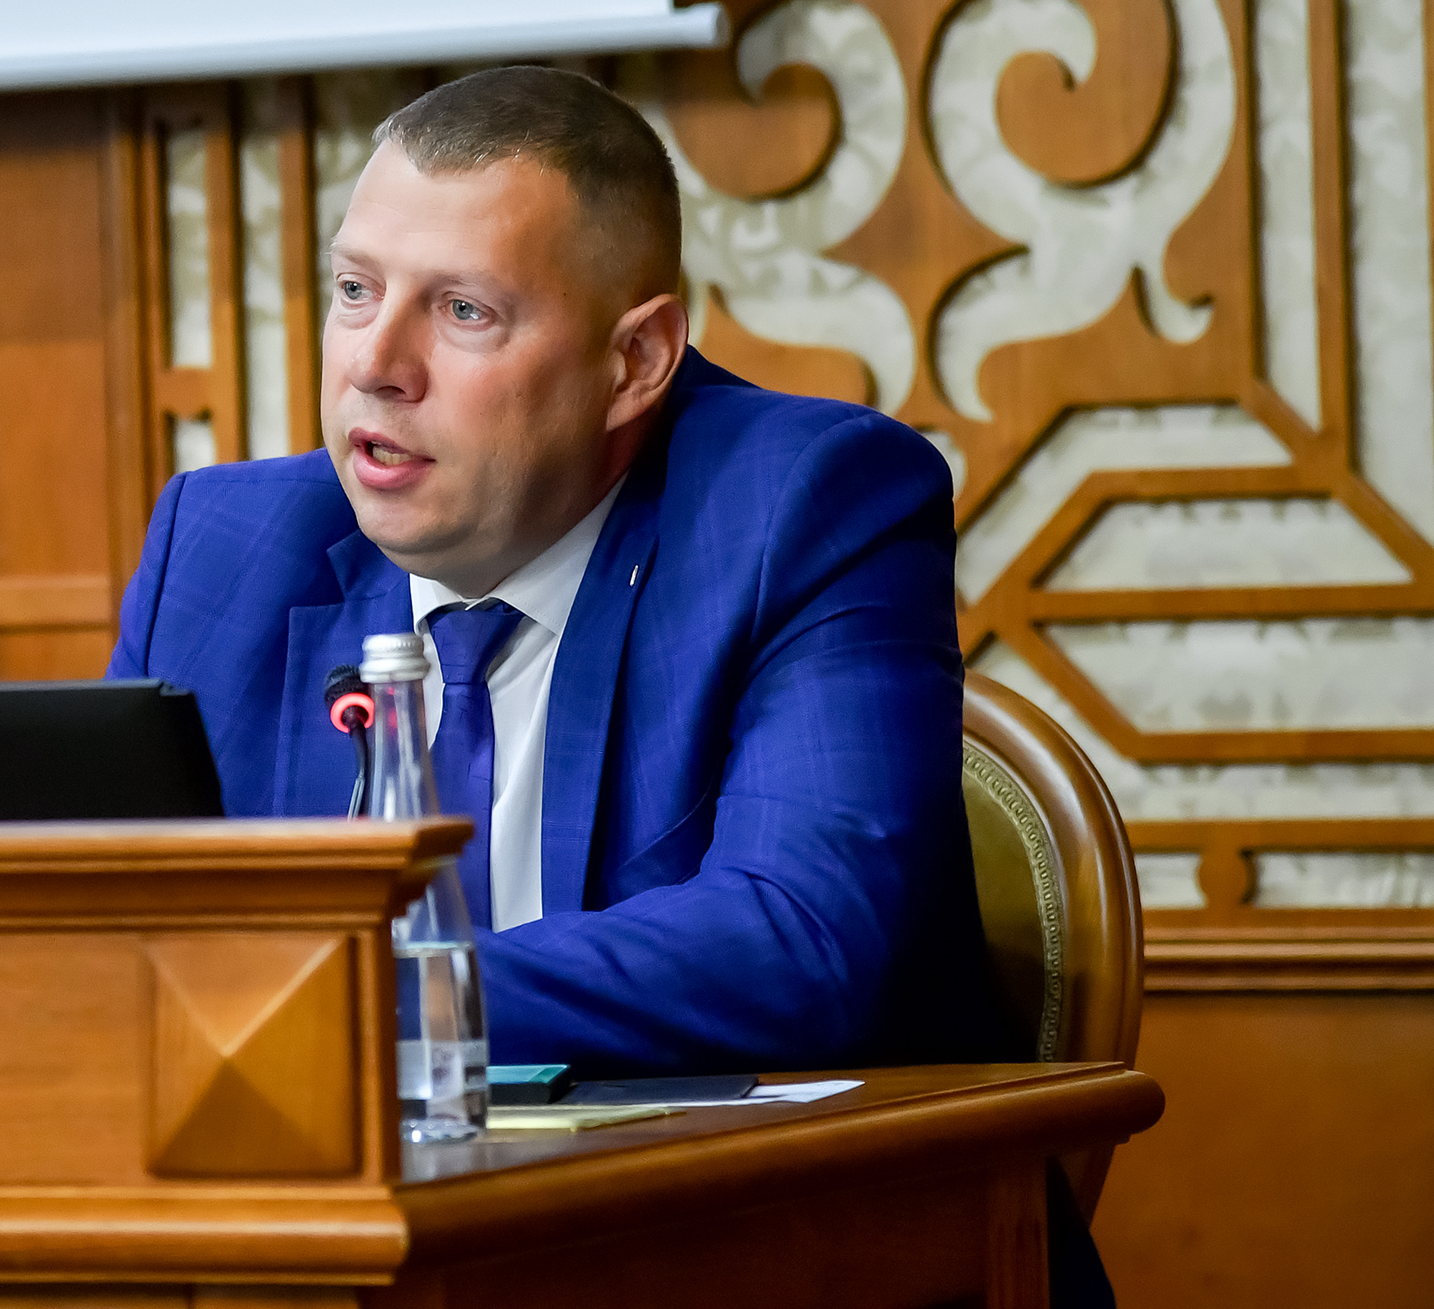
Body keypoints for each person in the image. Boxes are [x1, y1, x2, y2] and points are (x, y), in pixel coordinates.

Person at [111, 67, 1113, 1305]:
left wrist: (352, 999)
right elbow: (102, 950)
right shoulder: (223, 550)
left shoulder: (805, 503)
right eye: (356, 289)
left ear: (635, 358)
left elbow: (807, 940)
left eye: (463, 310)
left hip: (778, 1255)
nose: (375, 362)